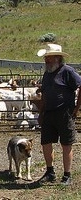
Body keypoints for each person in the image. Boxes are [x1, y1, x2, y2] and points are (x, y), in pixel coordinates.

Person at [37, 43, 81, 185]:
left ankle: (67, 175)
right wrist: (41, 112)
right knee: (46, 143)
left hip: (64, 113)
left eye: (49, 58)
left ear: (57, 58)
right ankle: (50, 171)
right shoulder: (47, 74)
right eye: (46, 58)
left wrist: (77, 108)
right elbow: (44, 93)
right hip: (49, 112)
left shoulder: (67, 71)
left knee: (66, 143)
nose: (46, 60)